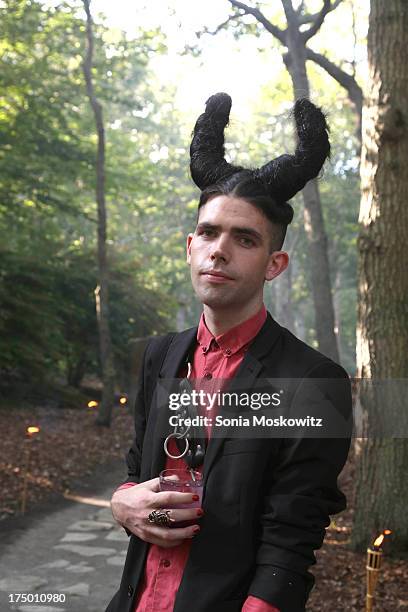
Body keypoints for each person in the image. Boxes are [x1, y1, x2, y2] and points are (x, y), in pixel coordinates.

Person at [105, 93, 352, 612]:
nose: (219, 249)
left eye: (244, 239)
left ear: (274, 263)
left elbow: (293, 536)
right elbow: (138, 470)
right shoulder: (158, 357)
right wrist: (121, 501)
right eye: (209, 232)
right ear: (189, 246)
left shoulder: (312, 381)